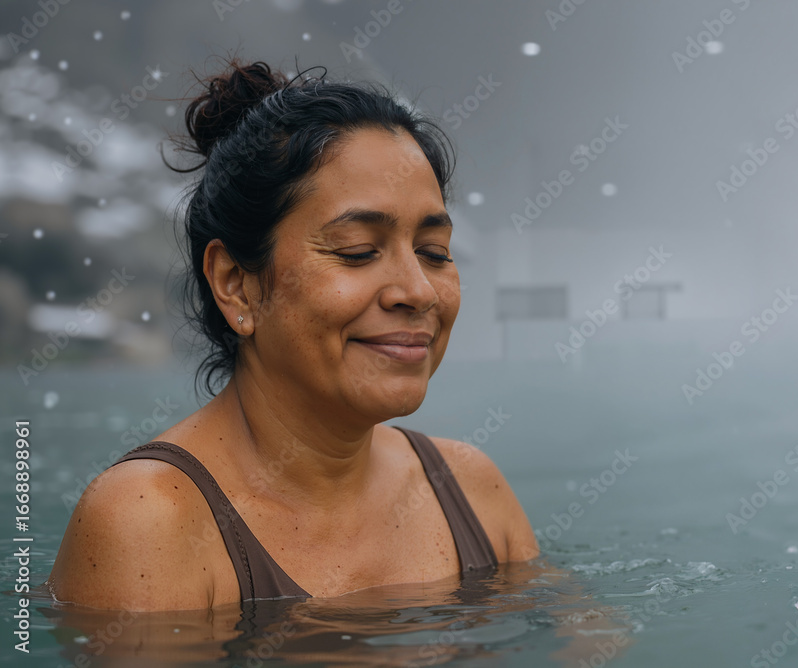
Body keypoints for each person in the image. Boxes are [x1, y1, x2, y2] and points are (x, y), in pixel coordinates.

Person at [46, 59, 539, 611]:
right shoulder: (151, 521)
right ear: (236, 285)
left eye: (434, 253)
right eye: (357, 251)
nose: (419, 290)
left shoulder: (468, 488)